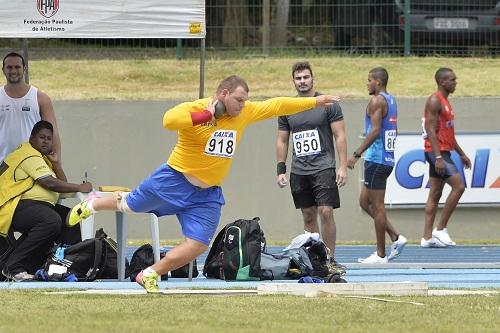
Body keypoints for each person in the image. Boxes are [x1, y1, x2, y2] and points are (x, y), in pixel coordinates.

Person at [66, 75, 341, 293]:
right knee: (129, 205)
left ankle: (149, 273)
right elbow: (168, 121)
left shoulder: (242, 114)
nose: (242, 105)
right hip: (174, 179)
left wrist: (315, 103)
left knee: (198, 244)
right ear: (223, 94)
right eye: (238, 100)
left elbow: (278, 105)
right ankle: (94, 203)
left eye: (245, 101)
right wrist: (204, 117)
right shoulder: (195, 109)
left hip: (207, 193)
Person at [276, 61, 347, 274]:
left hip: (324, 167)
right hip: (299, 170)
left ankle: (330, 259)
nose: (302, 81)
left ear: (312, 78)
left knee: (326, 211)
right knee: (308, 215)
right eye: (298, 78)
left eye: (306, 77)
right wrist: (280, 169)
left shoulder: (328, 104)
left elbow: (340, 136)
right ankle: (314, 259)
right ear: (293, 81)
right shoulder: (288, 107)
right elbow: (282, 140)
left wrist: (342, 166)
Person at [0, 121, 92, 281]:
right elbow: (49, 183)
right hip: (12, 206)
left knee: (70, 219)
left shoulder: (43, 159)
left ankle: (70, 265)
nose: (46, 141)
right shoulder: (28, 154)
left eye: (49, 139)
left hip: (37, 207)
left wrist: (57, 164)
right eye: (42, 137)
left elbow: (61, 185)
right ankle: (12, 266)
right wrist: (80, 187)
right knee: (51, 220)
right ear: (32, 138)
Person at [347, 67, 407, 263]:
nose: (367, 84)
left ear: (378, 83)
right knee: (365, 202)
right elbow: (393, 130)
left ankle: (380, 254)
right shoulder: (391, 100)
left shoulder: (377, 101)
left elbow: (374, 131)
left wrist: (356, 154)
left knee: (378, 207)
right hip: (384, 159)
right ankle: (396, 237)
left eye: (369, 80)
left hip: (377, 160)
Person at [421, 68, 471, 248]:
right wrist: (437, 157)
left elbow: (448, 134)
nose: (455, 82)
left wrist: (462, 153)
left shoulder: (446, 102)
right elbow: (431, 131)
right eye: (452, 79)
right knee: (459, 186)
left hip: (444, 151)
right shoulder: (435, 100)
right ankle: (440, 228)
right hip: (437, 152)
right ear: (442, 82)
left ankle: (426, 237)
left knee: (435, 193)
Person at [0, 52, 62, 164]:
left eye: (17, 67)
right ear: (3, 70)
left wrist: (57, 164)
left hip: (33, 165)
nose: (13, 71)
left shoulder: (41, 98)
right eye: (9, 67)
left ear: (24, 69)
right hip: (3, 165)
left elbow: (53, 132)